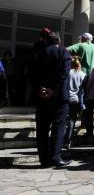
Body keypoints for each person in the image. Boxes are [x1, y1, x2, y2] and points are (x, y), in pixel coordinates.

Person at [34, 32, 72, 168]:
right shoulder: (64, 52)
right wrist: (52, 89)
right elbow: (64, 72)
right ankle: (55, 157)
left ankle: (44, 160)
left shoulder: (39, 52)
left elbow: (32, 73)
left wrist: (41, 88)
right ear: (59, 41)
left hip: (41, 96)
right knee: (58, 127)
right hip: (59, 96)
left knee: (42, 128)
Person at [64, 56, 86, 149]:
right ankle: (68, 141)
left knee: (69, 122)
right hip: (77, 100)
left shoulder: (67, 73)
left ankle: (66, 141)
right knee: (72, 121)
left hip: (67, 99)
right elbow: (84, 90)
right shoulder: (83, 74)